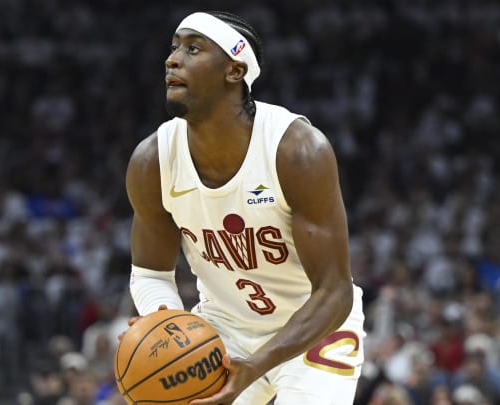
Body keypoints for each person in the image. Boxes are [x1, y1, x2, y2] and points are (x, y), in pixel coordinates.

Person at [124, 10, 365, 405]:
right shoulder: (152, 161)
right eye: (173, 48)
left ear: (234, 71)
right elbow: (150, 274)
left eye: (193, 48)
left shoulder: (297, 150)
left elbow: (335, 291)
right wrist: (168, 326)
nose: (172, 59)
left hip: (316, 325)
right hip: (225, 327)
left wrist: (255, 366)